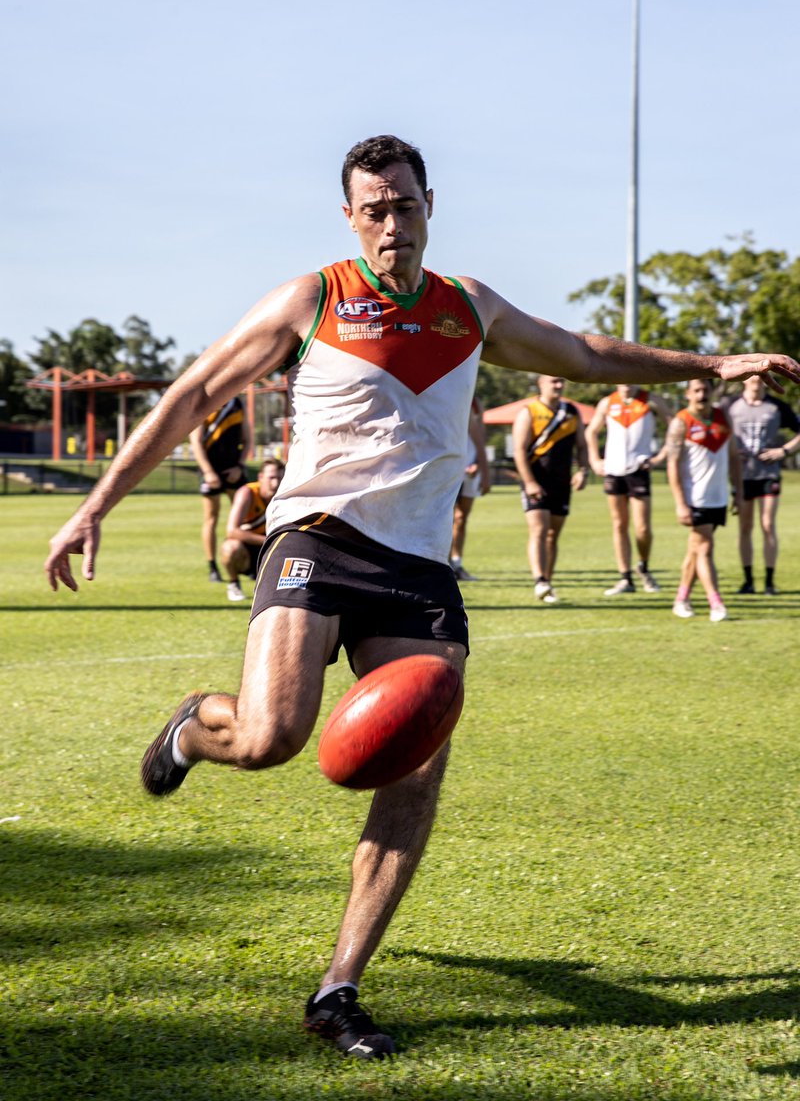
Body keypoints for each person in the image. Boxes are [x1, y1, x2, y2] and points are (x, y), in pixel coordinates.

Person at [44, 135, 799, 1060]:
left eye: (405, 205)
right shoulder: (312, 299)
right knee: (272, 737)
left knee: (414, 772)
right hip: (318, 538)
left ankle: (338, 989)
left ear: (429, 205)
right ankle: (198, 727)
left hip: (419, 568)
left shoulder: (467, 307)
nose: (392, 224)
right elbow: (194, 393)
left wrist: (709, 364)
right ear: (350, 218)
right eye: (374, 209)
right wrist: (91, 509)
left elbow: (584, 350)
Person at [666, 379, 743, 622]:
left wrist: (738, 492)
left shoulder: (723, 417)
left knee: (695, 551)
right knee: (705, 548)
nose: (701, 395)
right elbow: (672, 465)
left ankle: (681, 599)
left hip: (718, 497)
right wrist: (680, 503)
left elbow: (733, 457)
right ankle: (716, 602)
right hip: (695, 499)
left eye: (705, 390)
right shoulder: (681, 422)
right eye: (696, 390)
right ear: (687, 394)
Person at [585, 385, 672, 596]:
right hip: (614, 471)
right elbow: (591, 431)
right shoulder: (607, 402)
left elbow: (675, 427)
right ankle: (625, 577)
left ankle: (643, 565)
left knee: (642, 528)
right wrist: (595, 460)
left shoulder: (651, 400)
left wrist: (660, 457)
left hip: (639, 469)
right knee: (619, 524)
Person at [511, 375, 589, 603]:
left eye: (561, 381)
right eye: (553, 381)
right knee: (539, 530)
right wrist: (530, 482)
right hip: (536, 480)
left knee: (553, 534)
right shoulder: (530, 411)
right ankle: (540, 581)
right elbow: (519, 450)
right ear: (540, 384)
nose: (558, 385)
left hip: (561, 482)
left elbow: (582, 446)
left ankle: (547, 582)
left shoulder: (572, 412)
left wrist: (583, 470)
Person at [727, 375, 800, 595]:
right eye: (752, 378)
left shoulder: (776, 406)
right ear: (744, 381)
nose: (756, 381)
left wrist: (784, 451)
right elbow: (719, 433)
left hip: (769, 475)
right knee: (745, 527)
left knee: (768, 525)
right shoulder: (731, 406)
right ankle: (748, 581)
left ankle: (769, 582)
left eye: (760, 378)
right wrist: (730, 452)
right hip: (743, 476)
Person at [189, 397, 251, 582]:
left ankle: (248, 562)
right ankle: (213, 566)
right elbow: (196, 442)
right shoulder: (204, 404)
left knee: (245, 518)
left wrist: (239, 466)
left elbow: (247, 440)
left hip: (233, 469)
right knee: (211, 518)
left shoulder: (238, 404)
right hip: (211, 471)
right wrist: (208, 472)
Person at [221, 457, 285, 602]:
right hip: (253, 546)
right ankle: (234, 583)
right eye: (271, 478)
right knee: (230, 548)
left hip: (274, 550)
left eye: (280, 478)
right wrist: (269, 541)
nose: (275, 483)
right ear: (261, 477)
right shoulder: (248, 493)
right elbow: (231, 531)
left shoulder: (286, 495)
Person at [449, 396, 491, 581]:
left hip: (471, 470)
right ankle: (446, 562)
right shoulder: (447, 397)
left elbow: (480, 439)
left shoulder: (474, 401)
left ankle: (457, 563)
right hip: (452, 470)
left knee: (462, 518)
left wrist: (481, 468)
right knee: (449, 518)